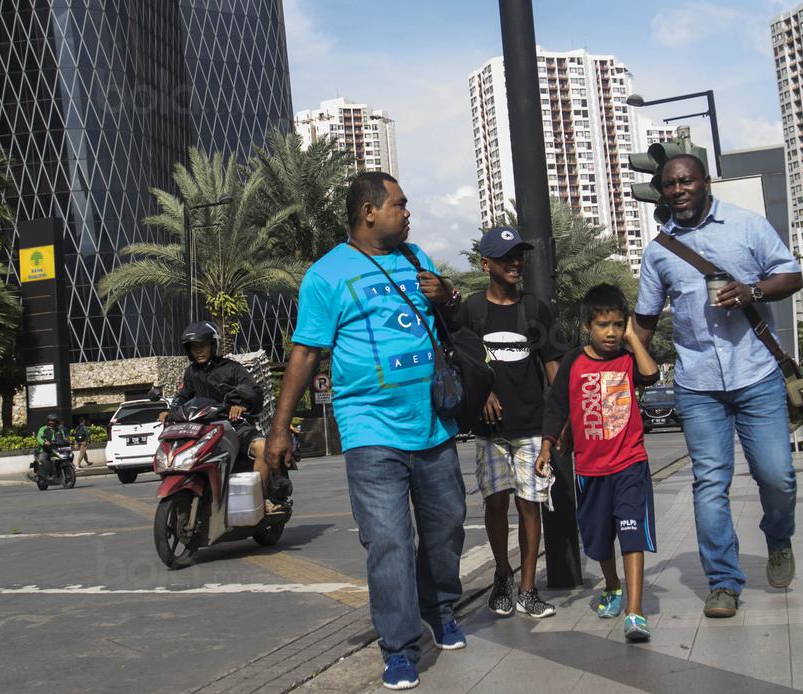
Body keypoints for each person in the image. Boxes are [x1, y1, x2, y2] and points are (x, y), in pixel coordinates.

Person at [263, 171, 466, 691]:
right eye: (400, 204)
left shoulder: (417, 257)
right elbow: (306, 352)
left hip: (434, 422)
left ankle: (439, 606)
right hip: (370, 428)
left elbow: (450, 319)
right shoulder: (326, 275)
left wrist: (446, 295)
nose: (407, 212)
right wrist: (279, 428)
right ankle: (399, 647)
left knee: (446, 527)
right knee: (390, 541)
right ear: (369, 211)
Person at [633, 154, 803, 618]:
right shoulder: (659, 251)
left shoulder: (748, 226)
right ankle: (723, 582)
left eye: (686, 181)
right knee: (710, 484)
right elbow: (643, 321)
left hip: (756, 374)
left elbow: (792, 275)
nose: (678, 190)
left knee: (777, 476)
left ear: (705, 182)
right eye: (669, 185)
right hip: (697, 383)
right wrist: (624, 375)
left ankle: (778, 537)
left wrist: (753, 291)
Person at [454, 226, 566, 619]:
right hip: (490, 432)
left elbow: (555, 367)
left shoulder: (536, 309)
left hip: (533, 426)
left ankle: (528, 587)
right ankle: (502, 574)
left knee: (530, 505)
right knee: (496, 503)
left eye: (518, 255)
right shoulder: (470, 310)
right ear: (485, 264)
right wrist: (481, 394)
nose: (515, 262)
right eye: (505, 258)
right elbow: (462, 363)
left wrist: (560, 423)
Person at [537, 284, 659, 642]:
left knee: (631, 533)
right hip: (589, 470)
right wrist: (547, 446)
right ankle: (612, 584)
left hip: (630, 463)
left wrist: (635, 339)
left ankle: (635, 613)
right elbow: (557, 405)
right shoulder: (574, 361)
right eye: (603, 325)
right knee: (599, 537)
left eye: (618, 325)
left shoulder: (626, 358)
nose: (611, 332)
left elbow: (650, 374)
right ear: (587, 326)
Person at [159, 321, 280, 513]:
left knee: (262, 448)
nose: (198, 351)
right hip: (203, 429)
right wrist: (171, 410)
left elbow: (254, 391)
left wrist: (241, 404)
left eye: (202, 346)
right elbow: (183, 397)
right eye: (193, 347)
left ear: (213, 345)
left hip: (234, 426)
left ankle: (262, 499)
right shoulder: (191, 373)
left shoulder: (232, 368)